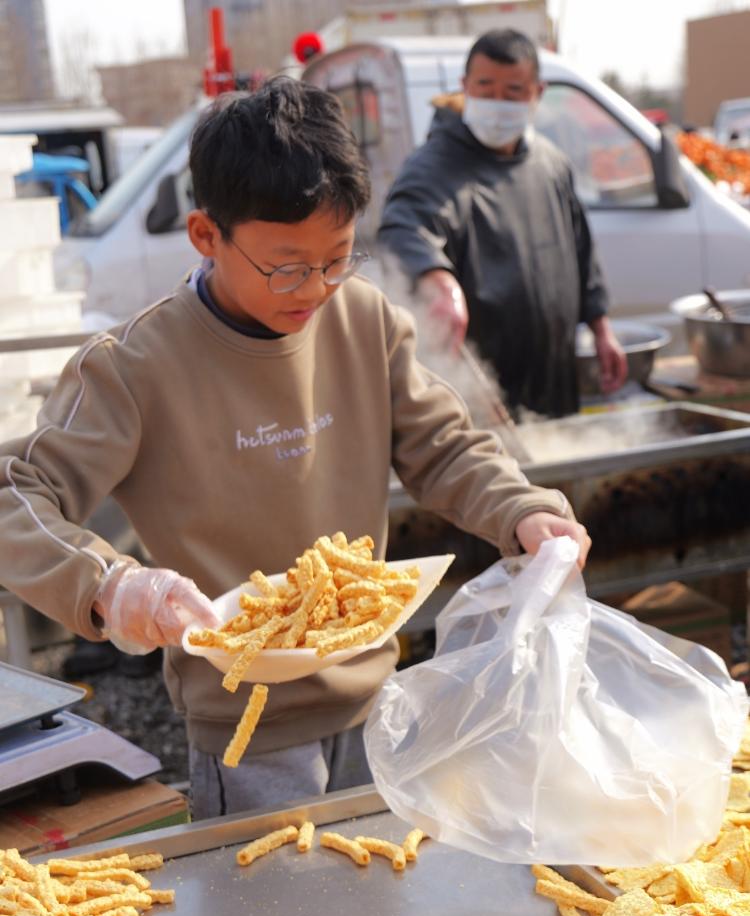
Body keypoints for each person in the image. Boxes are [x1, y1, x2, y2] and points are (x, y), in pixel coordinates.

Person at [0, 78, 590, 820]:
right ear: (207, 236)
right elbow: (14, 494)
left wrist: (523, 510)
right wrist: (112, 584)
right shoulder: (133, 365)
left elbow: (443, 445)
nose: (314, 288)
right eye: (286, 265)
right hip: (248, 732)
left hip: (379, 704)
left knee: (387, 907)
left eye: (337, 258)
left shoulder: (362, 319)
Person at [377, 28, 627, 419]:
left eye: (513, 91)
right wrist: (437, 280)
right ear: (464, 86)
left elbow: (582, 251)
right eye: (485, 87)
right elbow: (403, 228)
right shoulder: (433, 168)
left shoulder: (550, 164)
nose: (497, 102)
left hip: (554, 380)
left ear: (537, 93)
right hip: (479, 395)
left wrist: (601, 328)